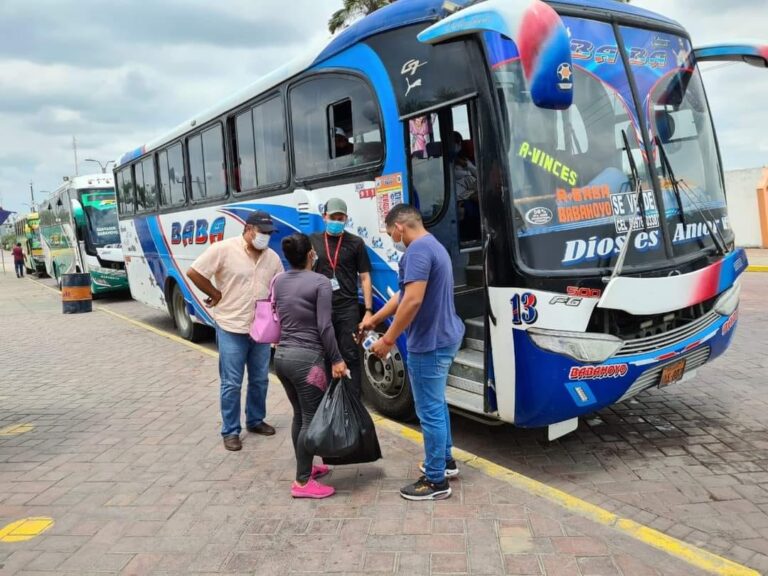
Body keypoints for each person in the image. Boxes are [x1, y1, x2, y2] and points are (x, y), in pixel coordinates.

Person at [360, 204, 464, 501]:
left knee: (428, 411)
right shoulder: (433, 246)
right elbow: (403, 296)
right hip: (445, 336)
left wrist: (388, 340)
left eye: (391, 231)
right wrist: (375, 319)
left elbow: (413, 301)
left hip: (429, 343)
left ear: (400, 227)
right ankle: (445, 463)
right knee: (436, 404)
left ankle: (435, 481)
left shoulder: (416, 252)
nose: (392, 237)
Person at [187, 211, 283, 451]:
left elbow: (279, 287)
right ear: (249, 229)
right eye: (263, 232)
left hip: (260, 330)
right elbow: (194, 272)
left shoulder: (272, 258)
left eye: (269, 234)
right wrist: (214, 293)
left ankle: (255, 420)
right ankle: (230, 430)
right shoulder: (224, 249)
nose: (266, 237)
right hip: (231, 325)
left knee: (260, 379)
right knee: (231, 382)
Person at [273, 233, 347, 499]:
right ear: (310, 255)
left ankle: (307, 468)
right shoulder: (321, 282)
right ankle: (302, 482)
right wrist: (337, 358)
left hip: (282, 357)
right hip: (307, 361)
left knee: (299, 415)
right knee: (310, 419)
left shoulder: (279, 281)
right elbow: (324, 326)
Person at [310, 198, 373, 399]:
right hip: (322, 308)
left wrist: (369, 311)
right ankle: (330, 400)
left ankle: (352, 401)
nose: (337, 221)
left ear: (346, 218)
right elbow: (306, 273)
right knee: (326, 354)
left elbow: (365, 277)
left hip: (348, 308)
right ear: (324, 217)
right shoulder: (313, 241)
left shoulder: (356, 242)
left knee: (350, 355)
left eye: (341, 217)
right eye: (333, 217)